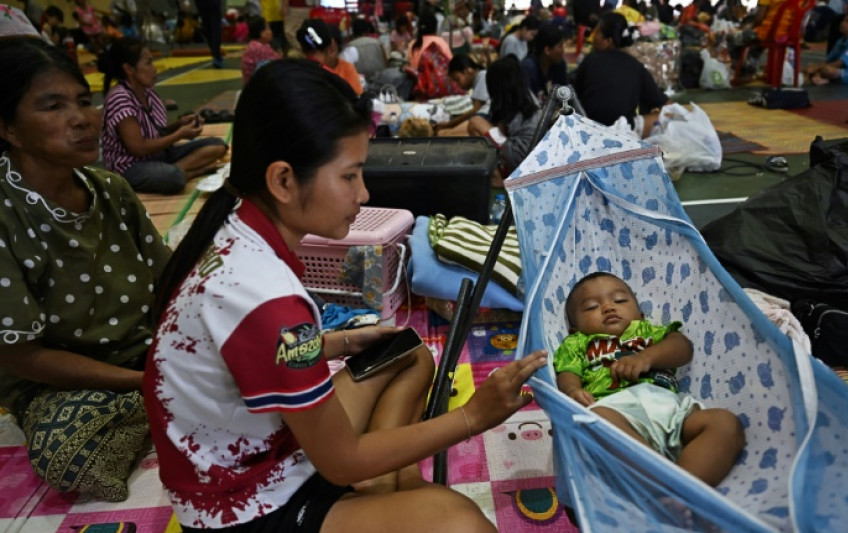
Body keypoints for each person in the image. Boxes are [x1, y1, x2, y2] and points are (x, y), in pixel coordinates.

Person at [144, 58, 548, 532]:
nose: (364, 193)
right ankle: (388, 489)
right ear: (283, 180)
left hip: (267, 450)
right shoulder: (265, 297)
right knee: (462, 523)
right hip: (245, 505)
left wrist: (332, 344)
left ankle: (385, 487)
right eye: (350, 175)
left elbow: (242, 354)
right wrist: (473, 418)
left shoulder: (235, 226)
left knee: (406, 351)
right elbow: (339, 461)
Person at [0, 37, 171, 502]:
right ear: (9, 129)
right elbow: (19, 355)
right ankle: (171, 403)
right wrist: (147, 383)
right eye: (52, 106)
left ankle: (171, 401)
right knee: (70, 453)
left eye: (83, 100)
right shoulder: (6, 213)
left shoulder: (110, 190)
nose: (81, 118)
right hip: (64, 387)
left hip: (147, 357)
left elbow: (172, 283)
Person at [554, 272, 746, 487]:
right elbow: (567, 373)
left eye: (620, 300)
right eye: (591, 307)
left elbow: (683, 348)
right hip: (617, 413)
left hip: (671, 412)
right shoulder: (577, 343)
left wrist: (646, 358)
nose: (608, 307)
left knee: (724, 422)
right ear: (574, 329)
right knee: (596, 420)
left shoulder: (648, 332)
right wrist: (572, 392)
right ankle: (668, 487)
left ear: (641, 315)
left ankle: (686, 491)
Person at [99, 37, 229, 194]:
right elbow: (138, 148)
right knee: (173, 177)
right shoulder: (120, 99)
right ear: (129, 69)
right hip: (130, 167)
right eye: (148, 63)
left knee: (217, 145)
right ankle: (184, 172)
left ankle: (179, 172)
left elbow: (156, 132)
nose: (155, 69)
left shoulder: (146, 91)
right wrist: (179, 135)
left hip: (156, 156)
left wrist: (179, 124)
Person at [573, 12, 669, 131]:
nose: (593, 37)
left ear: (608, 41)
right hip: (624, 134)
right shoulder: (636, 66)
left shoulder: (591, 59)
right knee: (657, 116)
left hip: (588, 132)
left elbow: (574, 95)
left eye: (597, 32)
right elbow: (664, 102)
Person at [469, 55, 542, 178]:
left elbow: (500, 129)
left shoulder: (508, 100)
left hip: (520, 157)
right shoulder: (523, 95)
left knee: (475, 122)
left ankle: (497, 176)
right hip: (533, 158)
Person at [296, 19, 363, 95]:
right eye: (306, 52)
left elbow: (356, 98)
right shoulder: (303, 72)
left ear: (332, 48)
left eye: (313, 52)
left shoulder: (347, 69)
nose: (308, 58)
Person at [407, 12, 461, 100]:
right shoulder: (440, 42)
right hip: (438, 91)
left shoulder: (413, 45)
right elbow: (451, 65)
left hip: (419, 90)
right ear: (435, 27)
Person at [435, 55, 490, 134]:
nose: (459, 85)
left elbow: (475, 110)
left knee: (442, 133)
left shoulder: (483, 76)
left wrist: (449, 124)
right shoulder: (478, 80)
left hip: (485, 117)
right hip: (482, 117)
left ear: (468, 71)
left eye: (458, 79)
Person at [806, 13, 848, 85]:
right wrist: (814, 68)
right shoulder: (840, 40)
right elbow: (830, 60)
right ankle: (824, 79)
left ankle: (826, 80)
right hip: (839, 70)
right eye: (843, 21)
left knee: (827, 69)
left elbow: (840, 62)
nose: (843, 23)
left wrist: (817, 68)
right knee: (817, 68)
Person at [521, 22, 568, 103]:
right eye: (560, 46)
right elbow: (527, 104)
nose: (563, 51)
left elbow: (566, 97)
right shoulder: (528, 68)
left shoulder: (560, 64)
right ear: (547, 50)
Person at [241, 14, 280, 83]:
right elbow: (278, 62)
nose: (271, 32)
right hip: (257, 85)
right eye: (268, 29)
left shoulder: (253, 44)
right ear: (261, 33)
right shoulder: (260, 48)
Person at [195, 0, 224, 68]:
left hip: (201, 3)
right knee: (215, 27)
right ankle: (216, 55)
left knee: (208, 28)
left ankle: (216, 54)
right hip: (212, 3)